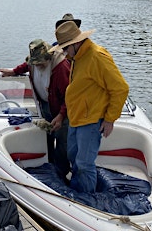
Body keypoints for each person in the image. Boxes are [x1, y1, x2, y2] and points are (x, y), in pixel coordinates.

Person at [49, 21, 129, 193]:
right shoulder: (76, 57)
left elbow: (121, 88)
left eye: (65, 48)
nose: (63, 53)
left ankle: (86, 198)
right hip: (76, 118)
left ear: (76, 43)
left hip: (91, 121)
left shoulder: (97, 57)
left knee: (85, 164)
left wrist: (109, 119)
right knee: (73, 156)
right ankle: (78, 188)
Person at [0, 39, 71, 181]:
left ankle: (62, 172)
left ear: (48, 57)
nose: (38, 65)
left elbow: (69, 96)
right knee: (46, 136)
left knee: (63, 140)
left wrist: (62, 116)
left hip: (62, 108)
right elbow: (27, 66)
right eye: (35, 62)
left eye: (40, 62)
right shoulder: (32, 64)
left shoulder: (61, 67)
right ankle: (49, 164)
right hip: (45, 105)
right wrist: (13, 71)